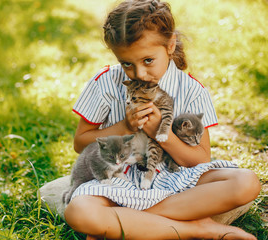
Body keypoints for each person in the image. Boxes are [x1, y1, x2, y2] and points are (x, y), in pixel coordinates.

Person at [64, 0, 261, 239]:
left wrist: (161, 131)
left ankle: (128, 220)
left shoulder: (191, 90)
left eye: (148, 60)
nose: (139, 74)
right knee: (79, 212)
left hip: (175, 177)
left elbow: (200, 158)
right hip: (120, 179)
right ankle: (197, 229)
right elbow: (80, 143)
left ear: (170, 45)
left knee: (247, 183)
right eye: (127, 64)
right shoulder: (106, 82)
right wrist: (124, 126)